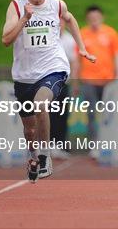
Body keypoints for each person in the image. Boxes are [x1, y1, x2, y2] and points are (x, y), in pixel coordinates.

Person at [2, 0, 95, 183]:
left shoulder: (57, 5)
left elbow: (70, 19)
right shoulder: (16, 6)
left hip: (54, 68)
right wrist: (25, 18)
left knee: (41, 104)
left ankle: (44, 156)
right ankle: (34, 155)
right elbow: (6, 40)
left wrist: (81, 47)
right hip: (24, 76)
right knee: (29, 130)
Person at [73, 5, 118, 159]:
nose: (94, 21)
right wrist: (75, 82)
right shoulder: (81, 34)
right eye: (91, 18)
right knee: (91, 114)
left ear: (102, 17)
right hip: (88, 80)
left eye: (97, 18)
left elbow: (117, 56)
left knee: (110, 113)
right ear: (87, 19)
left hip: (108, 80)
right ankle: (94, 145)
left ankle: (110, 142)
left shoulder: (110, 33)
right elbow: (76, 61)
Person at [48, 21, 76, 160]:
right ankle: (45, 145)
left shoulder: (69, 40)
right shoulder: (46, 37)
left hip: (63, 83)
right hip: (46, 83)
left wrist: (74, 81)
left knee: (62, 115)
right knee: (46, 114)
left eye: (61, 23)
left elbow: (74, 62)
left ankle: (60, 145)